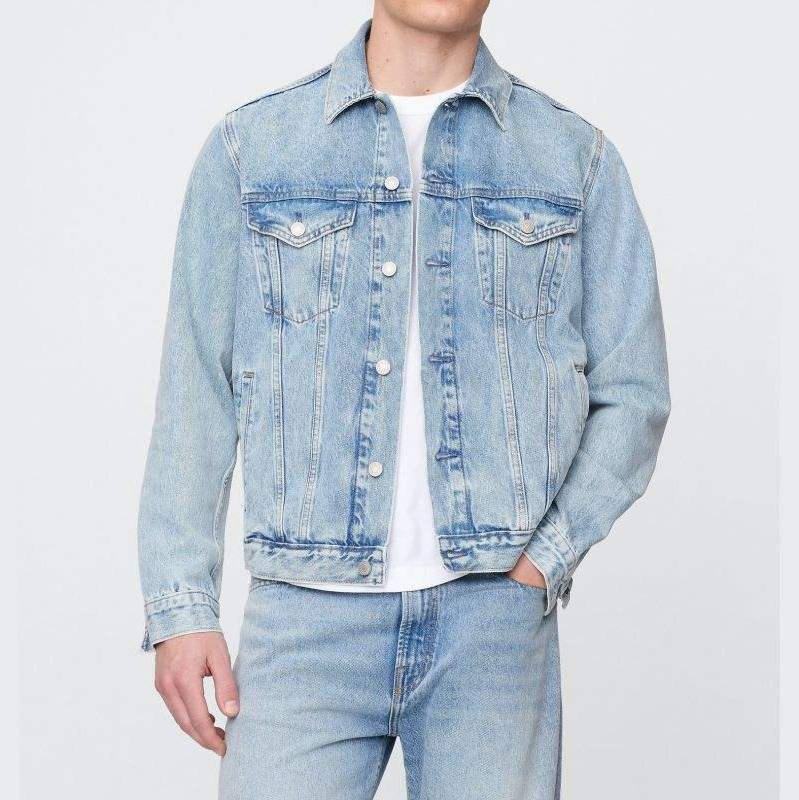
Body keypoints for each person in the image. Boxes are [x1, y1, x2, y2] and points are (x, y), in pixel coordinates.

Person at [138, 1, 670, 797]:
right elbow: (196, 390)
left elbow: (634, 391)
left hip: (492, 626)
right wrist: (181, 607)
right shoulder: (253, 151)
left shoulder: (574, 159)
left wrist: (546, 559)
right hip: (303, 623)